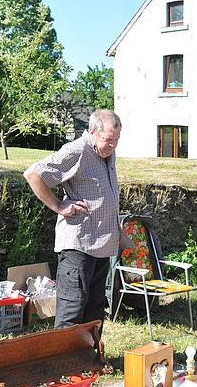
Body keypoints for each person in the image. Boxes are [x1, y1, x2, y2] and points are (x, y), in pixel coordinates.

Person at [24, 109, 123, 329]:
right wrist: (58, 206)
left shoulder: (107, 152)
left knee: (94, 310)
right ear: (92, 131)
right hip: (79, 245)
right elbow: (33, 174)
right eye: (108, 139)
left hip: (101, 246)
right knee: (72, 310)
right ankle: (63, 363)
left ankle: (89, 358)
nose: (112, 145)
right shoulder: (76, 150)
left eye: (116, 140)